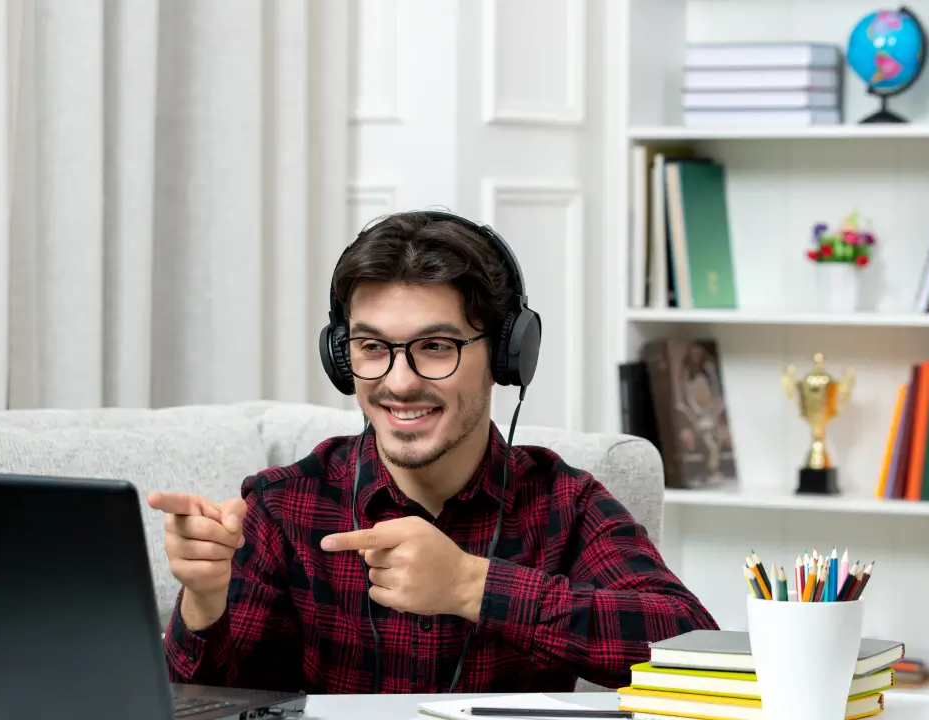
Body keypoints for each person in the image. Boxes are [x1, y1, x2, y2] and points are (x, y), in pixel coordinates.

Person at [147, 210, 718, 694]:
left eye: (436, 347)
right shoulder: (282, 504)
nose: (399, 382)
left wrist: (472, 585)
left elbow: (696, 652)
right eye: (372, 347)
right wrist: (205, 601)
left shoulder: (564, 503)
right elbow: (205, 701)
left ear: (505, 355)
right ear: (343, 357)